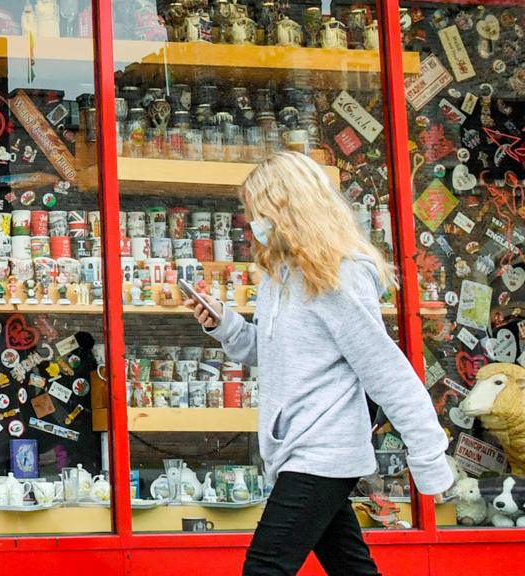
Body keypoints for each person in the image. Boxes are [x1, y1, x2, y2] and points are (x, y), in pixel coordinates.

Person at [185, 152, 453, 576]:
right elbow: (280, 356)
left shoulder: (339, 276)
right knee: (351, 568)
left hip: (323, 449)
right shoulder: (282, 273)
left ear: (286, 208)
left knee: (265, 568)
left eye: (256, 210)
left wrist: (428, 454)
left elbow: (384, 369)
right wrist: (227, 326)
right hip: (296, 448)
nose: (251, 221)